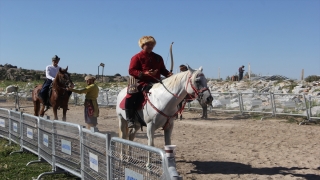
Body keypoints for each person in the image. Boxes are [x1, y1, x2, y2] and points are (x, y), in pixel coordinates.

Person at [126, 36, 173, 128]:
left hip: (156, 82)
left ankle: (168, 116)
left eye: (152, 44)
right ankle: (130, 119)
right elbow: (131, 70)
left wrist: (169, 74)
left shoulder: (158, 57)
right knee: (130, 96)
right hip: (141, 82)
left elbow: (163, 70)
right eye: (148, 44)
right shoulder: (136, 57)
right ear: (142, 45)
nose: (151, 46)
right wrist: (144, 73)